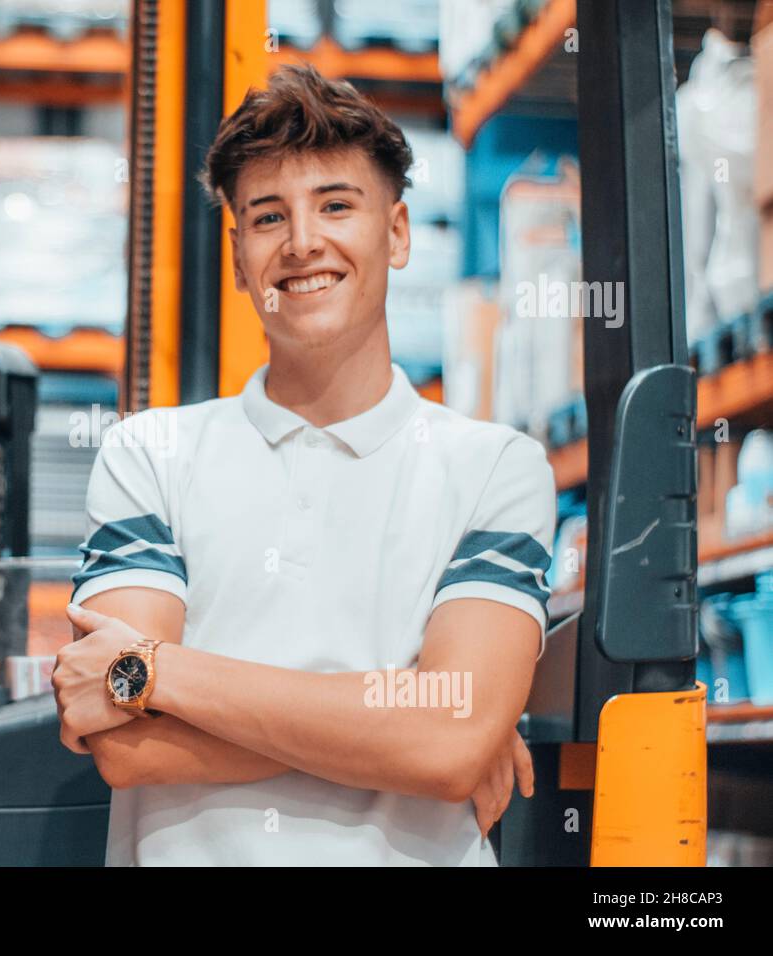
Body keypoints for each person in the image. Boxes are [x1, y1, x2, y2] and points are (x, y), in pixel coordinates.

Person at [52, 63, 555, 866]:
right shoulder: (149, 454)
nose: (302, 243)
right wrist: (409, 730)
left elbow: (448, 743)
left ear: (396, 233)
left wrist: (155, 672)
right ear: (237, 254)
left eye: (335, 205)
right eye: (266, 217)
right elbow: (122, 741)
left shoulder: (495, 468)